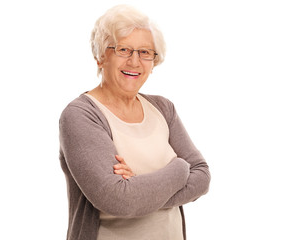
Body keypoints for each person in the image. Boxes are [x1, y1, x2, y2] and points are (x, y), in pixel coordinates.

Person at [59, 5, 210, 240]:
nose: (134, 61)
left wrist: (138, 186)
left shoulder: (163, 109)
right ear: (100, 57)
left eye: (145, 52)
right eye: (123, 49)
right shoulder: (81, 115)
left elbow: (202, 176)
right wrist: (179, 168)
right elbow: (118, 200)